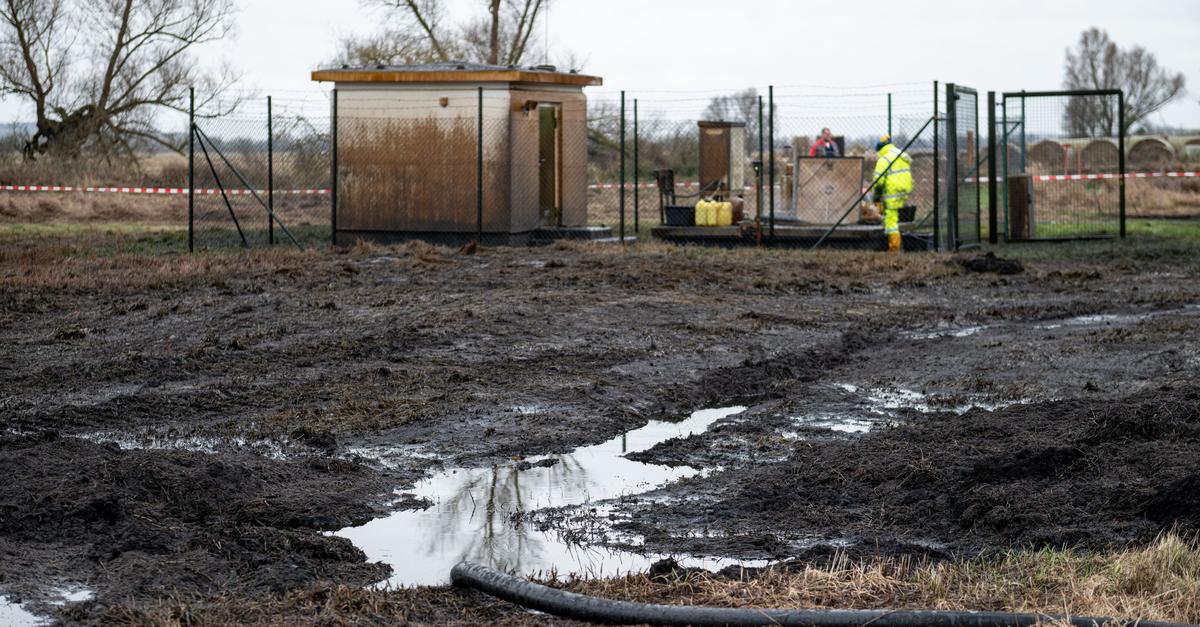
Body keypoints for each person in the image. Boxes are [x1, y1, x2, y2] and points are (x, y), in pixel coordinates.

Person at [872, 134, 913, 252]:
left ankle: (894, 249)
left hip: (892, 192)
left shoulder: (883, 159)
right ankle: (900, 244)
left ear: (880, 149)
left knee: (891, 220)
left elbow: (879, 181)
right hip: (904, 190)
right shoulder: (901, 154)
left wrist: (877, 195)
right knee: (898, 217)